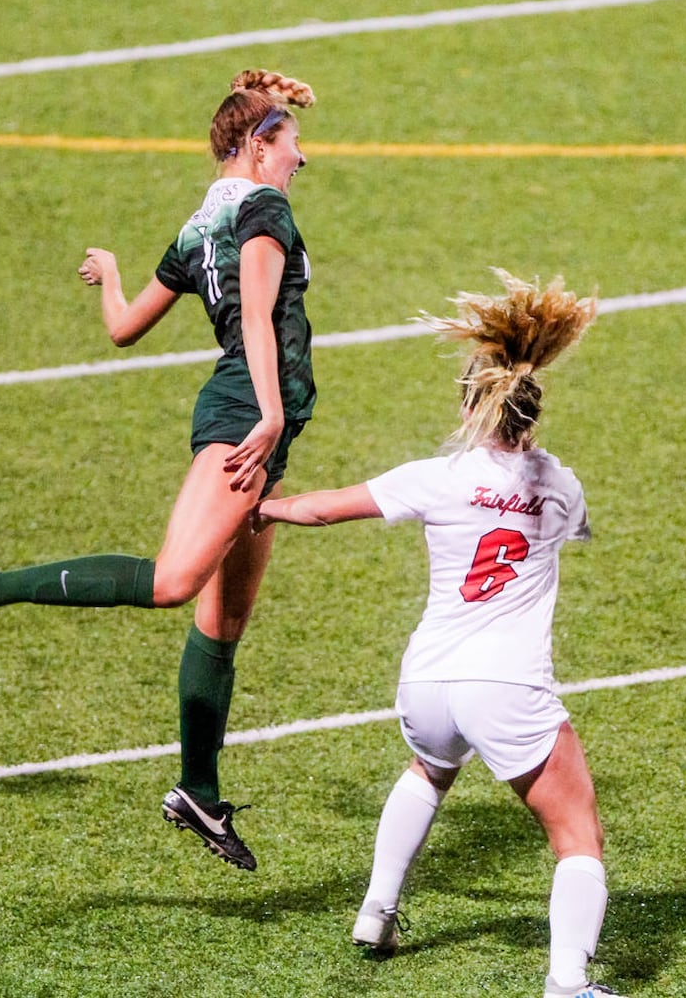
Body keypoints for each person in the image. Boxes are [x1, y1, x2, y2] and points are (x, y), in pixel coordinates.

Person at [0, 69, 319, 872]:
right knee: (174, 582)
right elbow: (263, 323)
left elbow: (125, 330)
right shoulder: (265, 212)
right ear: (256, 145)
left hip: (259, 420)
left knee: (221, 623)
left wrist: (111, 279)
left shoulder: (199, 223)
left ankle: (198, 793)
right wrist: (270, 419)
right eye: (293, 143)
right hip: (247, 417)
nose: (301, 159)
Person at [255, 271, 624, 998]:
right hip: (507, 686)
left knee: (430, 770)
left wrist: (263, 508)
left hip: (426, 681)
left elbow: (326, 509)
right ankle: (566, 983)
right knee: (577, 837)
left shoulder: (439, 477)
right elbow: (568, 528)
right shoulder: (563, 484)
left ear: (470, 404)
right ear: (532, 408)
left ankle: (376, 910)